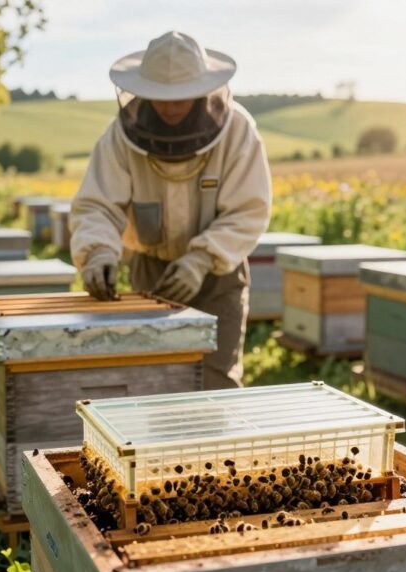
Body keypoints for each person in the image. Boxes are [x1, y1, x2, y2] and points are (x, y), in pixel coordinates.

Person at [70, 31, 272, 389]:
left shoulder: (238, 131)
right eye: (161, 98)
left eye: (180, 97)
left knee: (215, 380)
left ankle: (215, 446)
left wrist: (202, 258)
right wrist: (98, 249)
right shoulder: (119, 136)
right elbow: (98, 204)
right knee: (149, 379)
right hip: (151, 270)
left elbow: (248, 209)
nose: (171, 107)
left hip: (217, 274)